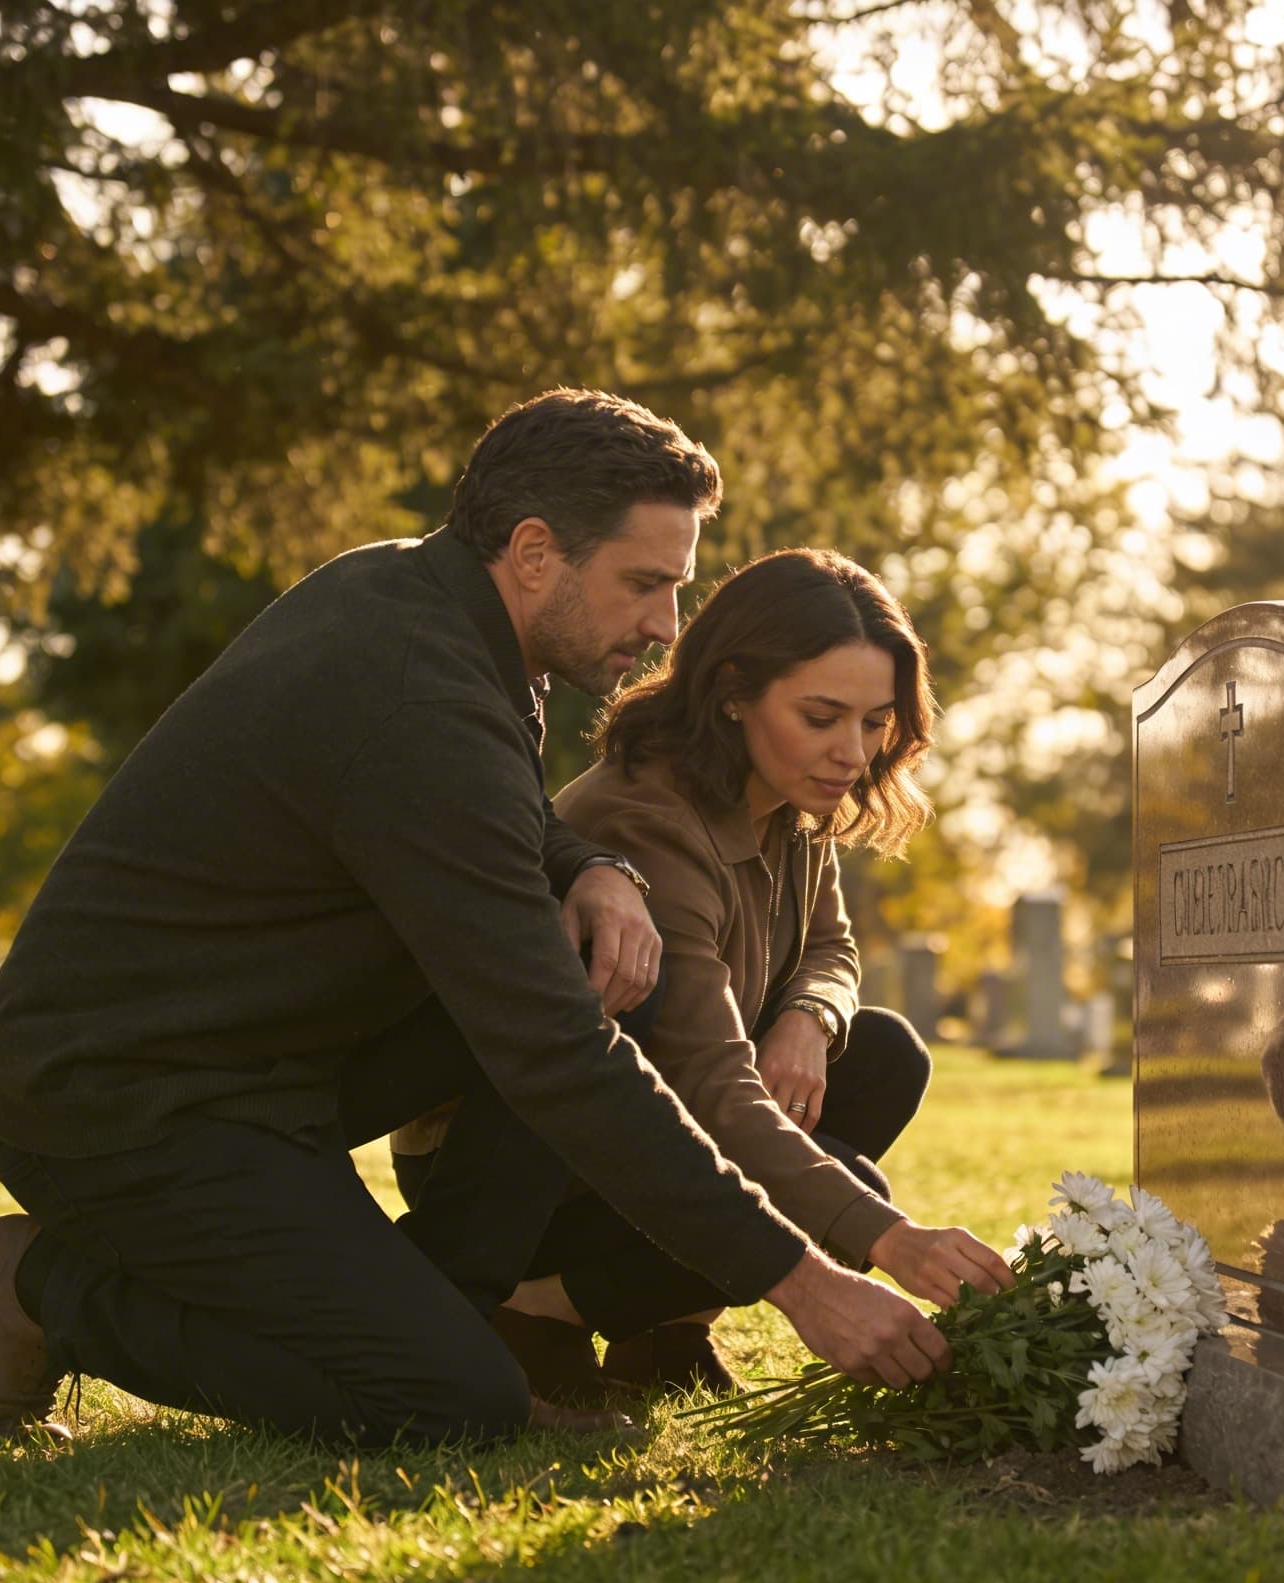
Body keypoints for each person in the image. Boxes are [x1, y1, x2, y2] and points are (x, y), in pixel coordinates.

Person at [0, 389, 950, 1449]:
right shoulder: (419, 686)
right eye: (644, 584)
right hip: (127, 1097)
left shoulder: (428, 604)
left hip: (279, 1061)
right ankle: (40, 1284)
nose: (664, 626)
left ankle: (462, 1296)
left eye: (675, 586)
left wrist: (588, 862)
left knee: (601, 960)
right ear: (531, 549)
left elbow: (481, 807)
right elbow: (554, 1048)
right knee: (443, 1398)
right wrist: (804, 1281)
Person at [391, 551, 1011, 1402]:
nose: (853, 754)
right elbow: (710, 1087)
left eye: (874, 722)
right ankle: (534, 1308)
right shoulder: (646, 816)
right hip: (517, 1166)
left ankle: (664, 1333)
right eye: (822, 716)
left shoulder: (792, 799)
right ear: (732, 693)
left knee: (880, 1053)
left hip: (653, 1122)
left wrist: (807, 1019)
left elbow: (832, 950)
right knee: (850, 1191)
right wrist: (890, 1240)